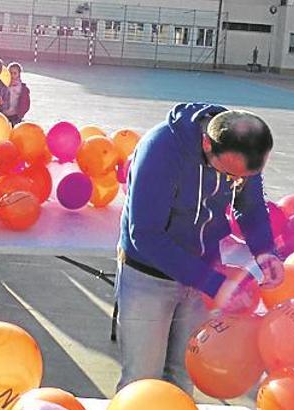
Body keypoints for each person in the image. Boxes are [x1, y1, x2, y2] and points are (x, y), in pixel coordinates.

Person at [116, 103, 284, 394]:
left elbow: (250, 205)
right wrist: (211, 283)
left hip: (202, 279)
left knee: (184, 376)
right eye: (229, 173)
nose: (235, 181)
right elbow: (145, 233)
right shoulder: (161, 149)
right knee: (142, 380)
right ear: (207, 143)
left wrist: (265, 251)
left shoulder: (242, 150)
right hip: (149, 278)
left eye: (241, 176)